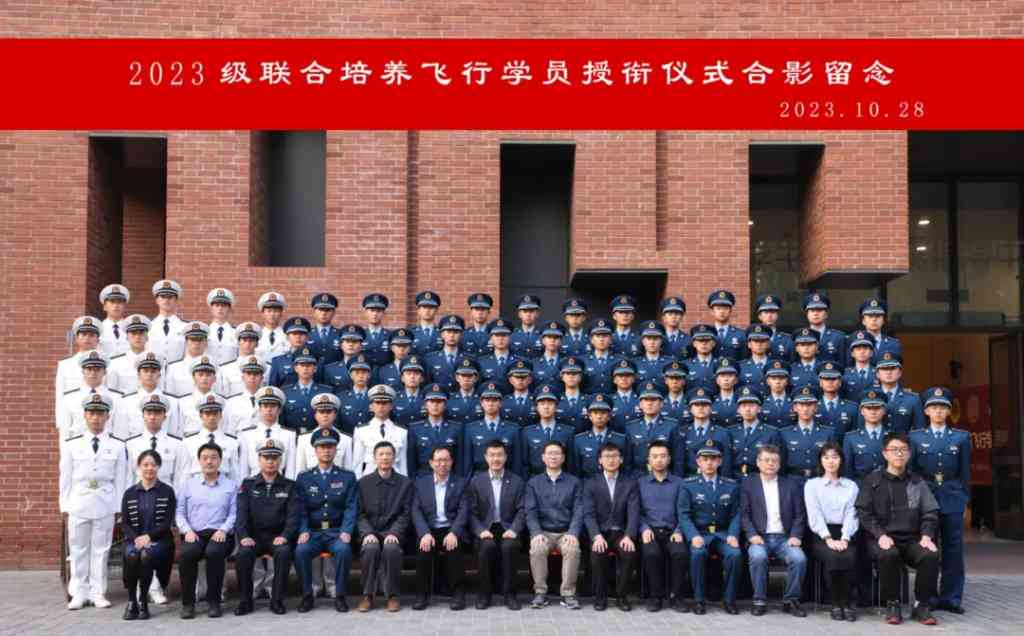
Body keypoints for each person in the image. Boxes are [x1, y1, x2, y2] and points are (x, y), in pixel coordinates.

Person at [854, 432, 941, 625]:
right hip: (881, 538)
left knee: (930, 555)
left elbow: (930, 511)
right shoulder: (872, 480)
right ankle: (892, 604)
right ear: (885, 454)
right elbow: (863, 512)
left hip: (912, 539)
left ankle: (921, 605)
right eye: (894, 450)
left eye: (903, 450)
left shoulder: (917, 481)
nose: (899, 454)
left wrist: (926, 536)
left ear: (909, 454)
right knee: (889, 555)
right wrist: (880, 535)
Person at [59, 392, 129, 610]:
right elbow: (65, 477)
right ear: (85, 416)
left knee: (101, 549)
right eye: (91, 413)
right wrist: (64, 505)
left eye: (100, 413)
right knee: (78, 549)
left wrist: (118, 507)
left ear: (107, 416)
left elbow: (121, 478)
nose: (95, 418)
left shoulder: (117, 446)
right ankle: (78, 592)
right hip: (79, 501)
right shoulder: (71, 445)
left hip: (105, 502)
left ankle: (98, 592)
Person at [910, 387, 971, 614]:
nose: (938, 411)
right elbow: (912, 473)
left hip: (953, 496)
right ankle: (928, 596)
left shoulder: (961, 437)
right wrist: (914, 501)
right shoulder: (916, 437)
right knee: (928, 547)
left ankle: (952, 597)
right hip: (926, 497)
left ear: (948, 411)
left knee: (954, 549)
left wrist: (965, 500)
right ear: (926, 411)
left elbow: (965, 472)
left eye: (943, 407)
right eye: (933, 407)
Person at [294, 428, 359, 613]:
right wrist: (303, 530)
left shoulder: (347, 477)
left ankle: (340, 596)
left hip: (336, 531)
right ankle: (307, 595)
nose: (326, 450)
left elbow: (351, 507)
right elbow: (301, 508)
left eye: (330, 446)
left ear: (336, 450)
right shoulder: (304, 477)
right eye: (322, 447)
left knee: (343, 550)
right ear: (315, 450)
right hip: (313, 532)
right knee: (301, 551)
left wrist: (346, 531)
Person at [234, 438, 301, 616]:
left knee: (284, 553)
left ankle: (277, 600)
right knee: (243, 554)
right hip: (253, 537)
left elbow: (293, 517)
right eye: (266, 457)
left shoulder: (290, 486)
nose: (270, 461)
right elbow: (241, 515)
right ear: (259, 460)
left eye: (274, 458)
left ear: (280, 461)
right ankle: (245, 601)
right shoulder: (248, 485)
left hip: (278, 536)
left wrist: (285, 536)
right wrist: (244, 536)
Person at [740, 445, 808, 617]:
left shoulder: (791, 485)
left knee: (799, 558)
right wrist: (751, 534)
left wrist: (795, 535)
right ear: (758, 462)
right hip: (759, 537)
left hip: (784, 538)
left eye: (774, 461)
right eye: (766, 460)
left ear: (779, 463)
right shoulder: (748, 484)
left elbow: (800, 514)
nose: (770, 464)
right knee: (758, 556)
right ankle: (759, 600)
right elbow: (744, 514)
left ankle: (790, 600)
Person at [678, 438, 742, 615]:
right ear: (698, 461)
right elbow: (683, 514)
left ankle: (729, 600)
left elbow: (736, 514)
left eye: (713, 459)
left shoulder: (731, 485)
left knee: (735, 555)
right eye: (705, 459)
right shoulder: (688, 485)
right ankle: (699, 600)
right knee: (697, 554)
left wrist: (733, 534)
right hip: (700, 533)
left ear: (720, 461)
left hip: (722, 533)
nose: (709, 463)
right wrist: (693, 536)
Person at [176, 442, 237, 619]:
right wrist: (186, 530)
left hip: (220, 534)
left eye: (213, 458)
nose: (209, 461)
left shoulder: (230, 485)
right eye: (205, 458)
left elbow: (234, 513)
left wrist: (224, 530)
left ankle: (214, 601)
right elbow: (179, 512)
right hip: (194, 533)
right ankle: (188, 603)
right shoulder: (188, 485)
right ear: (199, 461)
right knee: (187, 555)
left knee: (214, 553)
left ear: (220, 461)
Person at [465, 440, 526, 610]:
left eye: (499, 455)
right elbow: (471, 512)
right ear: (486, 457)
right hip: (486, 528)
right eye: (492, 455)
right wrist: (480, 530)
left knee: (510, 547)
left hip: (508, 528)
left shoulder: (517, 481)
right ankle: (484, 594)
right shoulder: (476, 481)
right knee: (486, 547)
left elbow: (522, 510)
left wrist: (514, 529)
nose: (496, 459)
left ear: (505, 457)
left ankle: (510, 594)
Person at [804, 441, 860, 622]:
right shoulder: (812, 485)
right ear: (821, 461)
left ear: (841, 460)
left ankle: (848, 603)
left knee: (849, 555)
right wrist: (828, 538)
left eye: (835, 457)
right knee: (834, 557)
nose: (830, 461)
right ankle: (836, 603)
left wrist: (845, 538)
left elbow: (852, 513)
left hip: (846, 532)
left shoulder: (851, 486)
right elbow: (815, 515)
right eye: (826, 457)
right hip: (821, 534)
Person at [525, 441, 584, 610]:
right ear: (543, 458)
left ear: (563, 458)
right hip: (543, 532)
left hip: (566, 532)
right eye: (549, 453)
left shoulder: (574, 482)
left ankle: (568, 594)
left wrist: (573, 532)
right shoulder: (533, 483)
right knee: (537, 548)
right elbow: (530, 512)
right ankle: (540, 593)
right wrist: (536, 533)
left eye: (557, 453)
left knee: (572, 549)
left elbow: (579, 510)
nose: (553, 457)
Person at [356, 441, 413, 612]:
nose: (385, 458)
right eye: (381, 454)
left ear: (394, 458)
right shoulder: (363, 483)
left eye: (389, 454)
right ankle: (367, 595)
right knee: (370, 548)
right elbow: (359, 514)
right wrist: (367, 533)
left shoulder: (405, 483)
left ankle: (392, 595)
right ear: (374, 458)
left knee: (391, 549)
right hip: (371, 531)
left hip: (393, 532)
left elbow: (405, 514)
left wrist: (394, 532)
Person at [120, 450, 176, 621]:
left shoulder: (167, 491)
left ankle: (143, 600)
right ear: (139, 467)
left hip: (160, 540)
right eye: (145, 465)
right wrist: (137, 538)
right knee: (132, 555)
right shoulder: (129, 493)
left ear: (158, 467)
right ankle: (132, 601)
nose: (149, 468)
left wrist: (149, 537)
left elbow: (167, 522)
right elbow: (125, 523)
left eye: (153, 465)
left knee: (146, 555)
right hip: (134, 540)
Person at [411, 446, 469, 610]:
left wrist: (454, 532)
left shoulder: (460, 482)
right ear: (431, 463)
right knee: (423, 550)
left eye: (446, 460)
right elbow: (415, 510)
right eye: (438, 460)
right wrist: (424, 533)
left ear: (451, 462)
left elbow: (464, 510)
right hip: (429, 529)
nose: (442, 464)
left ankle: (458, 593)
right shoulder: (421, 483)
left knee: (453, 549)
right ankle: (422, 594)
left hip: (451, 528)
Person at [584, 442, 639, 612]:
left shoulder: (630, 483)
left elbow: (634, 512)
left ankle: (621, 596)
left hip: (621, 532)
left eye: (615, 456)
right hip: (600, 532)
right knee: (597, 553)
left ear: (621, 459)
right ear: (600, 460)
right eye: (607, 456)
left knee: (629, 553)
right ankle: (600, 596)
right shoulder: (591, 483)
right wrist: (596, 536)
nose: (611, 460)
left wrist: (629, 535)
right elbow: (589, 514)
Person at [636, 440, 688, 612]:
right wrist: (644, 528)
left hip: (673, 531)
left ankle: (676, 596)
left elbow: (684, 511)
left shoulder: (680, 483)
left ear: (669, 459)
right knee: (651, 553)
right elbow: (636, 511)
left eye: (663, 456)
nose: (659, 460)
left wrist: (679, 530)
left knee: (680, 553)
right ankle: (655, 596)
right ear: (648, 460)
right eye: (655, 456)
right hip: (650, 531)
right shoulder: (640, 483)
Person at [352, 384, 408, 476]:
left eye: (385, 403)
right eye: (377, 403)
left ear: (391, 406)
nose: (381, 407)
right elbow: (357, 464)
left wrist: (404, 483)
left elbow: (403, 464)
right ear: (371, 406)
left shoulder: (402, 431)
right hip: (369, 477)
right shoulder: (361, 431)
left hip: (395, 479)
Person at [98, 284, 131, 357]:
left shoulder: (132, 328)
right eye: (112, 302)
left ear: (125, 306)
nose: (116, 305)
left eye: (119, 302)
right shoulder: (98, 329)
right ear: (104, 307)